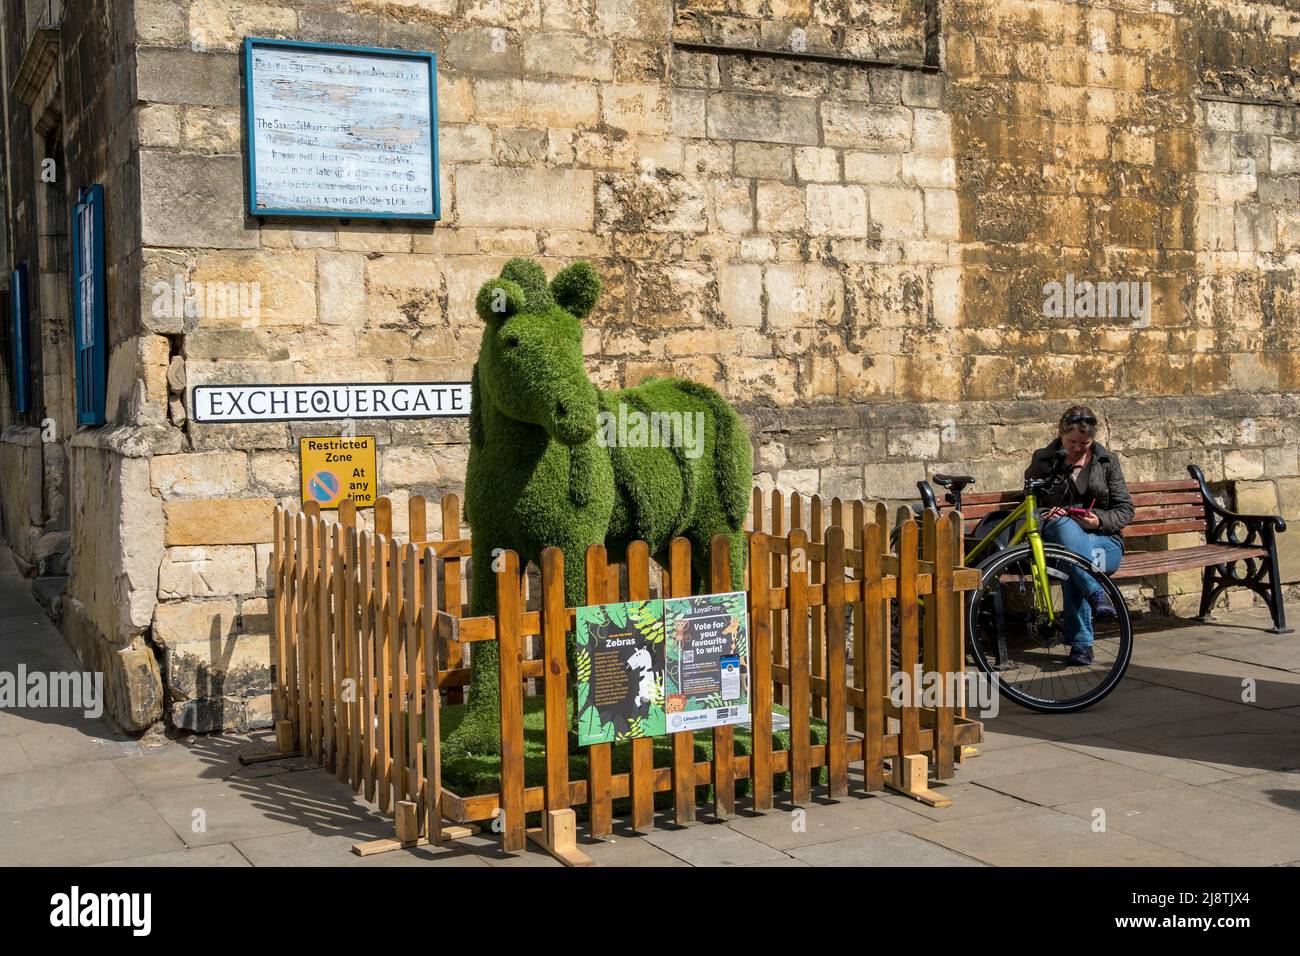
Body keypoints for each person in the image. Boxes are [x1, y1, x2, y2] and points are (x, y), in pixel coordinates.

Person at [1024, 406, 1133, 665]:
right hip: (1057, 538)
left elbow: (1125, 509)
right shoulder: (1043, 459)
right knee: (1067, 541)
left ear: (1092, 440)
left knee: (1071, 561)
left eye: (1084, 443)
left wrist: (1098, 520)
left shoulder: (1107, 462)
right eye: (1072, 442)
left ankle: (1082, 642)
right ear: (1061, 435)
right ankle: (1095, 597)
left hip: (1104, 544)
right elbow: (1029, 505)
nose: (1077, 448)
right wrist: (1052, 513)